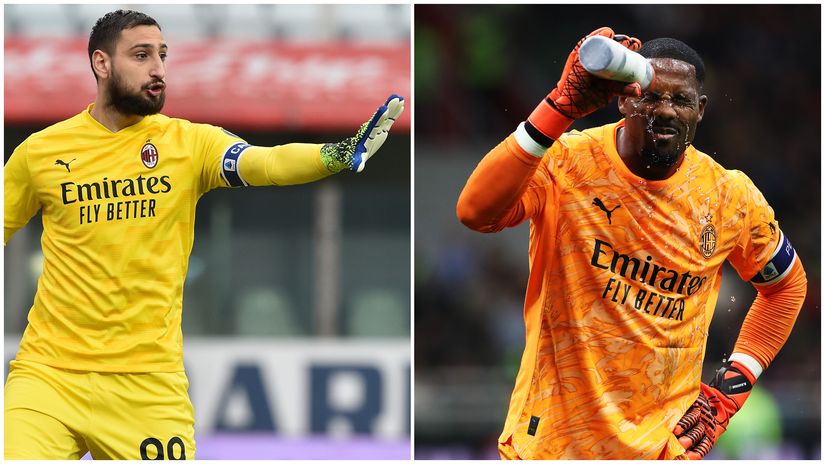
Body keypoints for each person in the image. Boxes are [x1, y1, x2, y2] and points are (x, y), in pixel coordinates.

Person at [4, 9, 404, 460]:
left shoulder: (190, 145)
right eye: (141, 55)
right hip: (48, 377)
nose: (157, 68)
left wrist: (333, 156)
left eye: (163, 55)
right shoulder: (40, 154)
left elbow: (264, 163)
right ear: (101, 63)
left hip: (148, 387)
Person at [456, 27, 806, 460]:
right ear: (624, 99)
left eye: (680, 101)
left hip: (663, 449)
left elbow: (788, 286)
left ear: (700, 110)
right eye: (650, 97)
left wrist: (733, 385)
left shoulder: (729, 197)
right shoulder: (566, 160)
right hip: (551, 445)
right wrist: (557, 108)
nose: (665, 111)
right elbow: (475, 213)